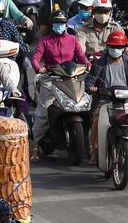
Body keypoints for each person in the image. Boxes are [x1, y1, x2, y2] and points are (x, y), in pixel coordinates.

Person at [85, 32, 128, 178]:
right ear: (108, 47)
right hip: (106, 100)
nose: (116, 49)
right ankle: (95, 151)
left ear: (123, 48)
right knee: (96, 121)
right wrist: (91, 87)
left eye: (119, 47)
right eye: (113, 46)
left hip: (127, 101)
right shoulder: (99, 64)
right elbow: (90, 79)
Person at [30, 10, 90, 161]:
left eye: (61, 23)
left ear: (65, 24)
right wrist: (39, 68)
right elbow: (35, 58)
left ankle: (90, 145)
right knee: (43, 111)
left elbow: (82, 57)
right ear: (52, 24)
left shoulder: (72, 39)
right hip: (51, 79)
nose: (59, 25)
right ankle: (35, 147)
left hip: (71, 78)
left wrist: (87, 64)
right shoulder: (45, 41)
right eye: (56, 23)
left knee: (86, 104)